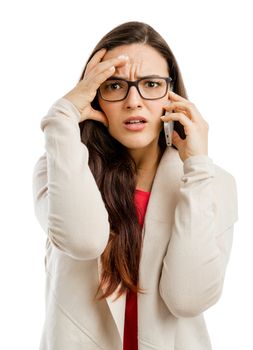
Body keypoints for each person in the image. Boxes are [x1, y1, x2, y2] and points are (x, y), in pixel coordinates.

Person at [32, 21, 238, 350]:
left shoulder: (212, 183)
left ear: (173, 96)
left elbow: (188, 297)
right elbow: (83, 240)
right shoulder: (61, 166)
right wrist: (63, 116)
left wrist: (197, 166)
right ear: (95, 96)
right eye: (114, 86)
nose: (133, 101)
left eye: (151, 84)